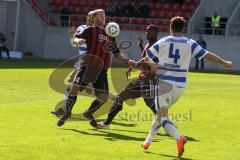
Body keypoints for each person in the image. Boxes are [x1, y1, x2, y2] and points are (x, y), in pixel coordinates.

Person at [141, 16, 232, 158]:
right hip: (180, 87)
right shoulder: (190, 43)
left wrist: (152, 62)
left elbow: (147, 55)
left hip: (164, 84)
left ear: (170, 27)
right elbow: (207, 55)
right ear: (182, 28)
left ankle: (179, 138)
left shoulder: (164, 41)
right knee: (161, 114)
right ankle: (148, 141)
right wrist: (224, 62)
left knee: (162, 114)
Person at [57, 9, 137, 127]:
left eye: (104, 15)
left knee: (103, 98)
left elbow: (117, 53)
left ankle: (89, 113)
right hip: (87, 64)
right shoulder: (90, 30)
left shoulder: (110, 35)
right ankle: (67, 112)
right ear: (94, 18)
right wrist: (78, 40)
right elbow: (75, 38)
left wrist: (127, 61)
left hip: (102, 69)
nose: (103, 17)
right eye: (101, 15)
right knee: (74, 87)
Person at [96, 25, 159, 129]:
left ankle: (167, 124)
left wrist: (134, 65)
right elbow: (146, 57)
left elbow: (148, 60)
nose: (146, 33)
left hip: (149, 79)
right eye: (146, 31)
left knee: (148, 102)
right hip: (143, 78)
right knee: (121, 97)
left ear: (156, 33)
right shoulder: (149, 44)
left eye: (149, 32)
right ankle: (107, 123)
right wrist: (140, 46)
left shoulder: (157, 45)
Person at [51, 11, 95, 116]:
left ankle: (114, 98)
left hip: (91, 60)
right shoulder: (80, 28)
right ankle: (64, 109)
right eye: (90, 15)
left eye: (93, 16)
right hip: (82, 59)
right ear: (87, 17)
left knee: (89, 90)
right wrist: (71, 36)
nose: (91, 17)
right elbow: (74, 44)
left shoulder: (95, 31)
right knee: (72, 82)